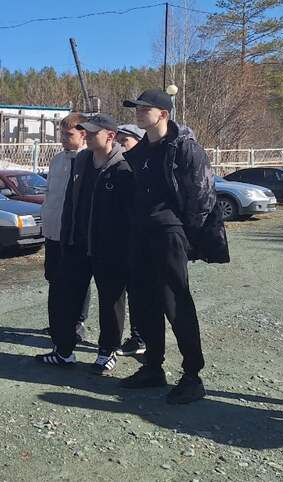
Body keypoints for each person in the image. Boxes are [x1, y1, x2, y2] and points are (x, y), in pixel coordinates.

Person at [120, 89, 216, 404]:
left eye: (144, 108)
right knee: (145, 302)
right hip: (140, 234)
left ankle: (192, 376)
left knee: (176, 303)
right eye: (136, 108)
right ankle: (153, 367)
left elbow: (202, 195)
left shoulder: (184, 148)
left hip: (170, 233)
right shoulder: (140, 151)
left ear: (162, 113)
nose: (138, 113)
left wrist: (189, 236)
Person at [37, 114, 133, 374]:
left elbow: (129, 215)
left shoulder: (123, 168)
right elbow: (70, 202)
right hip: (76, 244)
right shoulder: (81, 161)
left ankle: (107, 351)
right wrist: (67, 236)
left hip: (108, 249)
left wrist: (123, 248)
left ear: (110, 136)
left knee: (111, 300)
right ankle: (64, 351)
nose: (87, 136)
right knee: (68, 297)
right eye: (85, 132)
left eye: (92, 133)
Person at [40, 113, 91, 342]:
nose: (63, 138)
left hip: (75, 234)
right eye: (61, 134)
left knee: (78, 281)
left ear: (83, 135)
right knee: (54, 277)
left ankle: (77, 323)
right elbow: (50, 194)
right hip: (53, 231)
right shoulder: (57, 160)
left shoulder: (89, 160)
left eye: (68, 134)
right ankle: (57, 322)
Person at [114, 123, 147, 357]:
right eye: (118, 140)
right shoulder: (120, 166)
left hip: (141, 239)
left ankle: (141, 337)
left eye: (124, 141)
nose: (120, 145)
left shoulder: (142, 167)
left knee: (140, 292)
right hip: (123, 239)